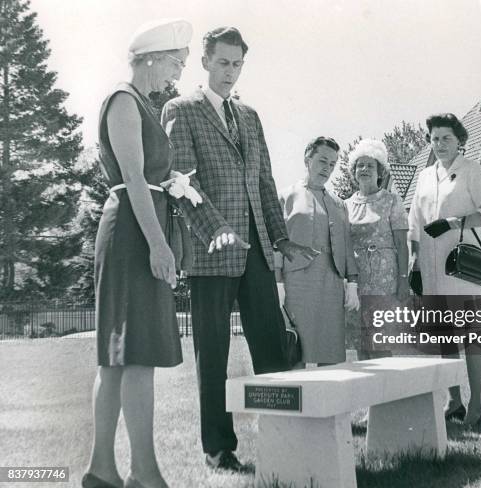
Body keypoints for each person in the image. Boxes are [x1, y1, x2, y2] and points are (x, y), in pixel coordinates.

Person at [161, 27, 316, 471]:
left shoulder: (249, 116)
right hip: (211, 253)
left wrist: (281, 238)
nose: (230, 72)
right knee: (213, 355)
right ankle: (218, 447)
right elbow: (180, 180)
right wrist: (215, 229)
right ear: (205, 62)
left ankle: (284, 437)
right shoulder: (181, 110)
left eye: (237, 64)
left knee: (270, 347)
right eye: (223, 62)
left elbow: (264, 182)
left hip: (258, 253)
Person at [84, 19, 193, 488]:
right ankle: (143, 472)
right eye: (176, 62)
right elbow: (132, 177)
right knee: (134, 355)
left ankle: (102, 471)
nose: (178, 72)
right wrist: (159, 243)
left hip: (134, 225)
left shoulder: (143, 105)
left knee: (118, 357)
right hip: (132, 230)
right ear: (151, 57)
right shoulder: (124, 101)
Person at [407, 113, 481, 426]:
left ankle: (476, 405)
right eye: (434, 139)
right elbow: (415, 224)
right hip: (433, 269)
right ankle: (454, 402)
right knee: (444, 337)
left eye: (446, 138)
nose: (440, 144)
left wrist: (455, 222)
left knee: (472, 338)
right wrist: (415, 261)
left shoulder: (472, 171)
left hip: (464, 268)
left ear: (459, 140)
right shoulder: (424, 176)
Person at [277, 137, 360, 366]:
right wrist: (277, 282)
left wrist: (352, 283)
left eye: (333, 164)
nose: (328, 168)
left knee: (331, 350)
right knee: (296, 347)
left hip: (331, 281)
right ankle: (297, 399)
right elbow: (275, 242)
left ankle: (329, 401)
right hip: (297, 281)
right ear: (307, 158)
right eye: (323, 161)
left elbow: (346, 244)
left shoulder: (338, 203)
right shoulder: (286, 196)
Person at [345, 139, 410, 359]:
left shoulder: (392, 200)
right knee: (361, 340)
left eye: (370, 165)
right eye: (359, 165)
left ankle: (387, 392)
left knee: (381, 340)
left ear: (379, 171)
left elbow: (402, 243)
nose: (364, 169)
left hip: (385, 280)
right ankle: (366, 392)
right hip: (357, 280)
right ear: (354, 171)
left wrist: (403, 279)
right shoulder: (346, 205)